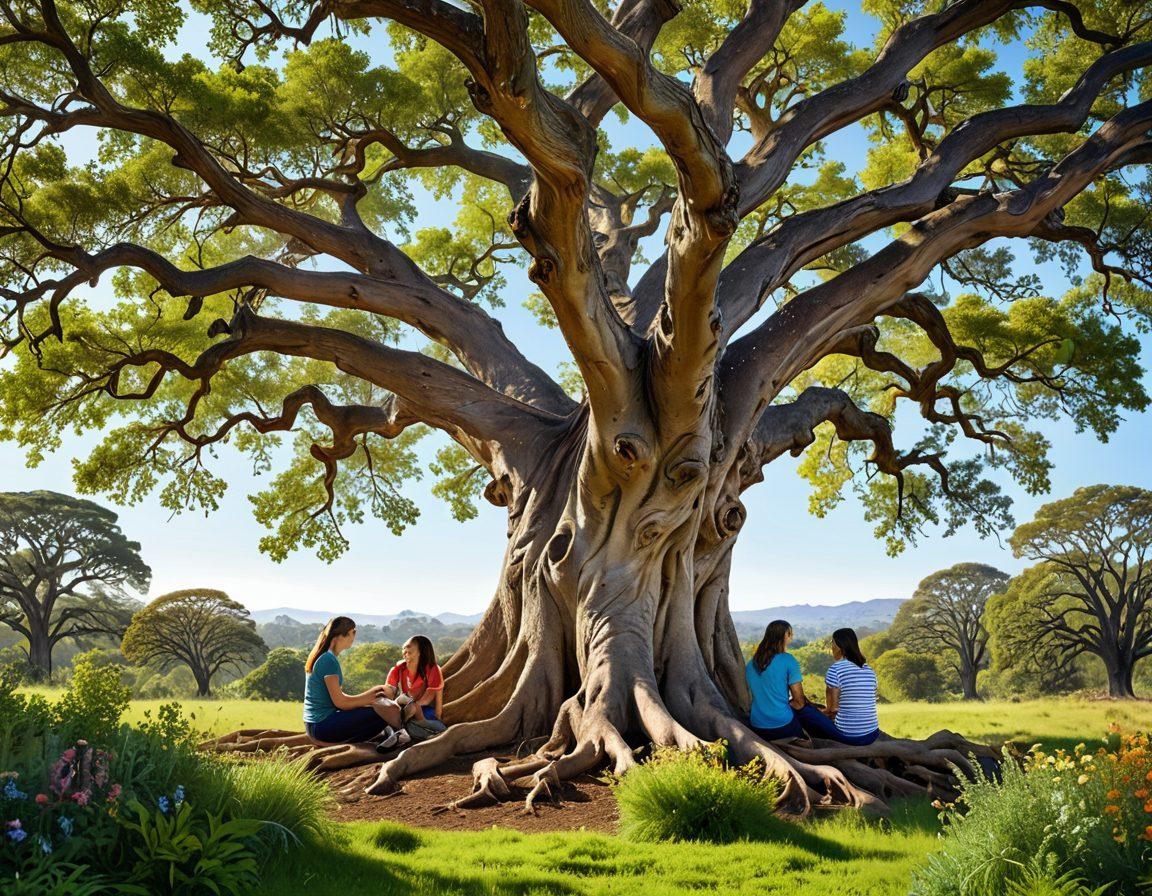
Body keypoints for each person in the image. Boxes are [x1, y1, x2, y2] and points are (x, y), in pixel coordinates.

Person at [303, 616, 410, 750]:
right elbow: (340, 703)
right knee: (382, 711)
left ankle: (388, 733)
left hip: (316, 724)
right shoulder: (328, 660)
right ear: (342, 635)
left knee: (376, 707)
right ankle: (399, 734)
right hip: (322, 726)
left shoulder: (325, 656)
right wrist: (370, 698)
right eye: (353, 631)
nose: (354, 635)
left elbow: (337, 698)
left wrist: (369, 699)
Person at [745, 620, 807, 741]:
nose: (792, 636)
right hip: (782, 724)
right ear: (784, 636)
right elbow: (799, 702)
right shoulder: (789, 660)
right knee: (808, 735)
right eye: (790, 633)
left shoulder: (751, 664)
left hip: (757, 724)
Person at [818, 627, 880, 746]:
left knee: (807, 713)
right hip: (872, 734)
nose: (831, 647)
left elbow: (833, 710)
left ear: (840, 647)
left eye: (833, 643)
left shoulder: (835, 669)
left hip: (849, 735)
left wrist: (819, 712)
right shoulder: (869, 670)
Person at [384, 635, 447, 743]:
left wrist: (412, 707)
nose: (404, 651)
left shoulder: (432, 669)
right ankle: (401, 732)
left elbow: (428, 698)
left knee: (437, 727)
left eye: (409, 649)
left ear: (420, 652)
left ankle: (400, 732)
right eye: (404, 648)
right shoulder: (399, 668)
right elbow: (389, 690)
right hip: (404, 707)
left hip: (424, 710)